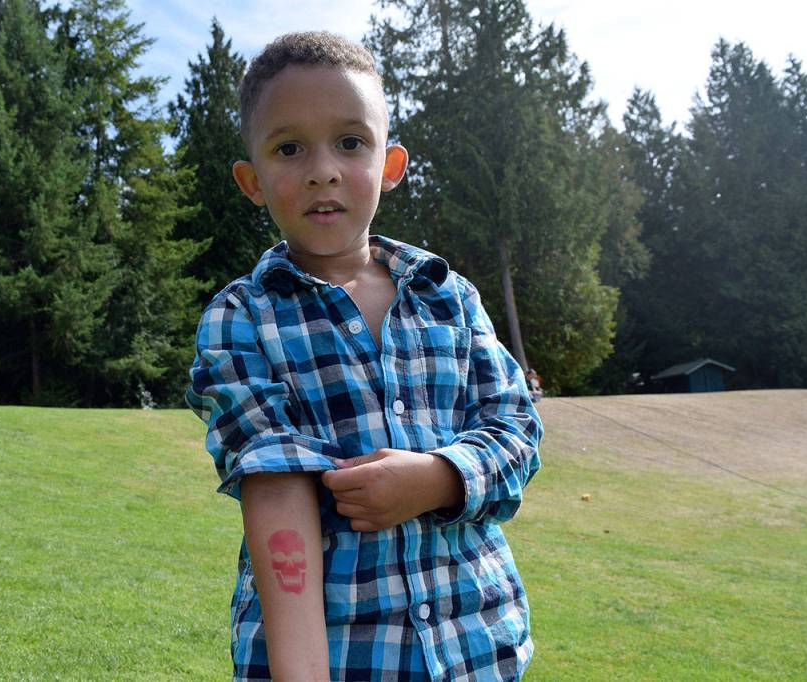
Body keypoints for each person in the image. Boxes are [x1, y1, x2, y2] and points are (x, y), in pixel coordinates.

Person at [186, 31, 542, 681]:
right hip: (340, 660)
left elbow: (516, 430)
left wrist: (439, 476)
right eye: (289, 148)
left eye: (350, 142)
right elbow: (276, 492)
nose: (322, 169)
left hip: (476, 652)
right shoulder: (242, 318)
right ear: (251, 181)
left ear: (390, 164)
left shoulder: (451, 298)